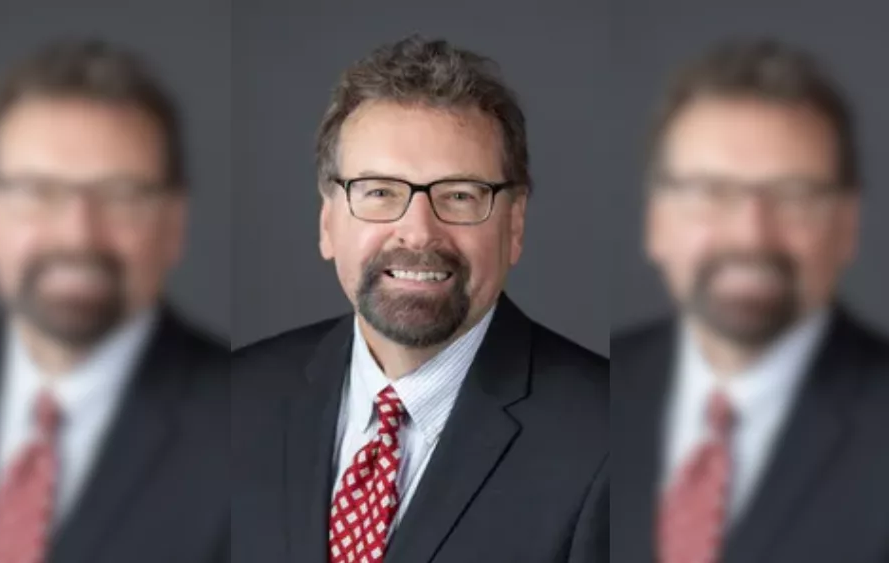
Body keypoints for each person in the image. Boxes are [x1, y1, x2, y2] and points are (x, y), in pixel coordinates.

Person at [232, 35, 608, 563]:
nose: (417, 233)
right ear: (327, 221)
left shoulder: (609, 442)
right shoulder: (234, 402)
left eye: (459, 195)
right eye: (380, 191)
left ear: (515, 224)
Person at [0, 39, 230, 563]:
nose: (77, 235)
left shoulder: (247, 425)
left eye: (121, 195)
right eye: (36, 192)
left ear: (174, 226)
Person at [612, 38, 889, 563]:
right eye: (710, 192)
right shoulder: (593, 394)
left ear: (848, 225)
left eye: (794, 195)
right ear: (656, 220)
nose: (751, 235)